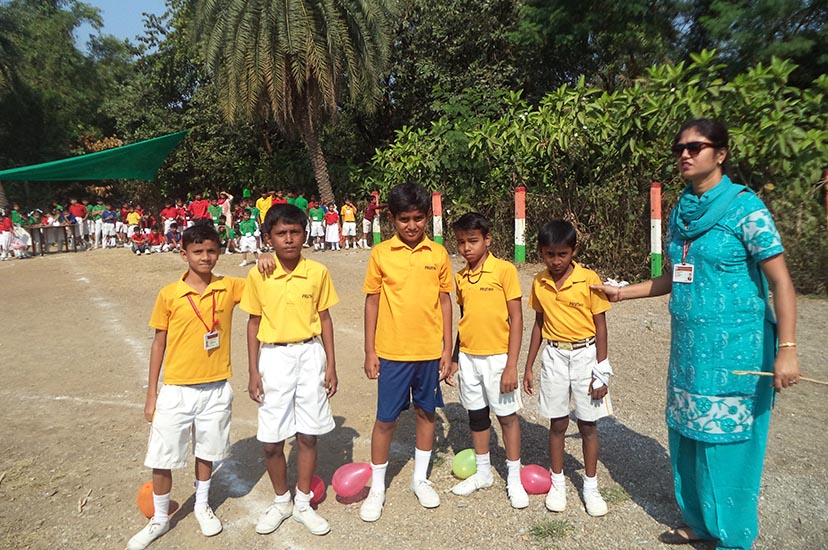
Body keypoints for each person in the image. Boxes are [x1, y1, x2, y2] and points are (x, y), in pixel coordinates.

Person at [591, 118, 799, 548]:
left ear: (720, 154)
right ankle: (700, 524)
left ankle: (733, 538)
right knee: (687, 436)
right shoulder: (682, 211)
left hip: (737, 353)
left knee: (728, 446)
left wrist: (788, 348)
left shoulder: (746, 209)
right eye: (679, 148)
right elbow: (676, 276)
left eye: (695, 147)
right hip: (689, 351)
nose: (685, 154)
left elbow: (781, 281)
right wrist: (621, 293)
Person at [127, 224, 246, 550]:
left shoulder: (229, 287)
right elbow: (159, 343)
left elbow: (263, 283)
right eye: (198, 251)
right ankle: (160, 518)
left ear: (219, 252)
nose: (205, 257)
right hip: (177, 389)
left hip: (215, 387)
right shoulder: (169, 294)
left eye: (211, 251)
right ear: (184, 254)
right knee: (162, 455)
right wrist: (151, 393)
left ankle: (202, 504)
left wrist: (266, 259)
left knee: (207, 451)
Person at [241, 203, 339, 537]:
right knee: (272, 440)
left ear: (304, 234)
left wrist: (331, 365)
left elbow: (325, 319)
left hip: (310, 354)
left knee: (308, 434)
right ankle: (281, 500)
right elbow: (253, 322)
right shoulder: (260, 273)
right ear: (269, 237)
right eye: (281, 233)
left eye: (295, 232)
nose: (288, 239)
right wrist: (253, 371)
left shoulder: (318, 272)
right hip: (274, 358)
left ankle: (302, 502)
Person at [360, 183, 453, 522]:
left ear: (427, 217)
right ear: (392, 219)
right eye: (404, 219)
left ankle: (420, 479)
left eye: (418, 218)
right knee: (386, 419)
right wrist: (370, 350)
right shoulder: (381, 253)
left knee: (427, 413)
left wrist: (447, 348)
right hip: (392, 352)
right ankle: (377, 488)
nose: (412, 226)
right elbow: (372, 302)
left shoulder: (438, 254)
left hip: (428, 353)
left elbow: (445, 301)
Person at [523, 220, 612, 518]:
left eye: (562, 254)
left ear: (573, 251)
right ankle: (558, 483)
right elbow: (538, 324)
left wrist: (602, 369)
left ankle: (591, 486)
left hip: (586, 355)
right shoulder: (539, 282)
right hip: (554, 356)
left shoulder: (588, 279)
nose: (556, 261)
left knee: (588, 424)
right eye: (550, 254)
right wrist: (529, 365)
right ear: (541, 252)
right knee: (558, 423)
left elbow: (601, 326)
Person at [448, 212, 529, 509]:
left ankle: (514, 477)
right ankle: (483, 473)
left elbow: (516, 318)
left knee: (506, 417)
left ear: (487, 240)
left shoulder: (504, 271)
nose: (466, 248)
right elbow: (464, 318)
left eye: (473, 241)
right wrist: (455, 358)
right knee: (477, 415)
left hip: (497, 358)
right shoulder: (460, 277)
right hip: (469, 357)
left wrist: (511, 365)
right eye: (461, 242)